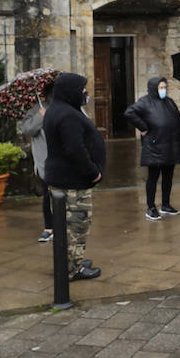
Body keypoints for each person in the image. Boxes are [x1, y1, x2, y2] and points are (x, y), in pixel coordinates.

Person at [43, 72, 104, 281]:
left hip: (60, 179)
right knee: (76, 227)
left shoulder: (56, 110)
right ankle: (72, 270)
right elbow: (75, 149)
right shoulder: (68, 115)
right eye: (82, 89)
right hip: (72, 183)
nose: (85, 92)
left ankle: (71, 262)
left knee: (65, 227)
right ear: (71, 91)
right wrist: (93, 172)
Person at [125, 76, 180, 221]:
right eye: (161, 87)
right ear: (154, 88)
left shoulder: (169, 102)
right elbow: (129, 113)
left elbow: (178, 122)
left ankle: (166, 204)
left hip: (171, 145)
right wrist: (143, 127)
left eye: (165, 87)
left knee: (168, 176)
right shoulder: (145, 102)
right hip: (155, 146)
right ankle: (151, 207)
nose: (163, 90)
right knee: (153, 177)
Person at [19, 94, 55, 243]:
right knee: (47, 194)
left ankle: (65, 225)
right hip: (45, 160)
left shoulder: (64, 106)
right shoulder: (35, 110)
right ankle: (49, 228)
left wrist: (49, 116)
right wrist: (41, 117)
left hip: (63, 158)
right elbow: (27, 129)